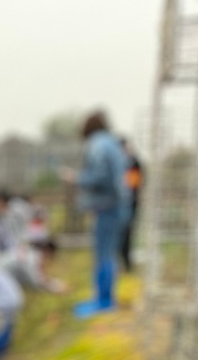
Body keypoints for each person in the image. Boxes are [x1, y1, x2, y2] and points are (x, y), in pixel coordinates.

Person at [74, 111, 130, 317]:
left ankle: (104, 301)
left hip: (107, 207)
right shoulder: (112, 143)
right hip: (118, 206)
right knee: (109, 254)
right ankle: (105, 299)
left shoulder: (97, 145)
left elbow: (99, 177)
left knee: (104, 255)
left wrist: (77, 179)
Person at [120, 140, 143, 273]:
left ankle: (127, 264)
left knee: (127, 235)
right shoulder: (119, 163)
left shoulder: (134, 163)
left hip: (130, 204)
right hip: (120, 205)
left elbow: (134, 184)